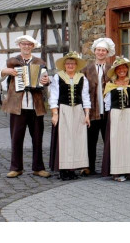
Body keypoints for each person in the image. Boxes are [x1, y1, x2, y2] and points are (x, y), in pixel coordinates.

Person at [0, 35, 51, 178]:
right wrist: (4, 71)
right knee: (16, 138)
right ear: (20, 45)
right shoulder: (12, 61)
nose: (26, 47)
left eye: (29, 44)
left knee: (38, 138)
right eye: (24, 44)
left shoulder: (40, 62)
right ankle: (16, 168)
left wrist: (46, 81)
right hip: (17, 106)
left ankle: (38, 168)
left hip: (36, 106)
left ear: (32, 47)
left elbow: (45, 80)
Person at [49, 52, 91, 181]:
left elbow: (85, 97)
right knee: (65, 140)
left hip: (78, 110)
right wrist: (55, 114)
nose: (70, 65)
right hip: (64, 110)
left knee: (77, 140)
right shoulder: (58, 77)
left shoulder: (82, 78)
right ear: (64, 65)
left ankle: (73, 168)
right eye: (68, 63)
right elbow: (54, 96)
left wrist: (87, 114)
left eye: (72, 63)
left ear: (76, 65)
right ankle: (64, 169)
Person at [101, 57, 130, 182]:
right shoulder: (110, 84)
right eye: (119, 68)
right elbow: (107, 104)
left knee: (129, 142)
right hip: (115, 114)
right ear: (115, 71)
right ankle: (116, 171)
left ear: (127, 69)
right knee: (116, 142)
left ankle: (129, 170)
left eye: (124, 68)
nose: (121, 70)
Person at [80, 37, 115, 176]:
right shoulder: (86, 69)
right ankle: (88, 166)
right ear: (94, 51)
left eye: (103, 50)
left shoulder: (112, 69)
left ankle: (110, 166)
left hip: (107, 111)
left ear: (107, 53)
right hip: (92, 110)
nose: (101, 53)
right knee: (90, 140)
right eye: (98, 50)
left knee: (109, 139)